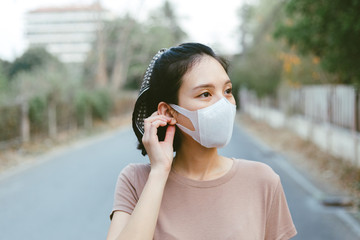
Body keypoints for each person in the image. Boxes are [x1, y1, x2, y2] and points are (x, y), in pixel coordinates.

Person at [106, 43, 297, 240]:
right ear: (169, 112)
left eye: (228, 90)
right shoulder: (136, 181)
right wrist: (158, 173)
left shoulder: (262, 180)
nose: (223, 103)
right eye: (205, 94)